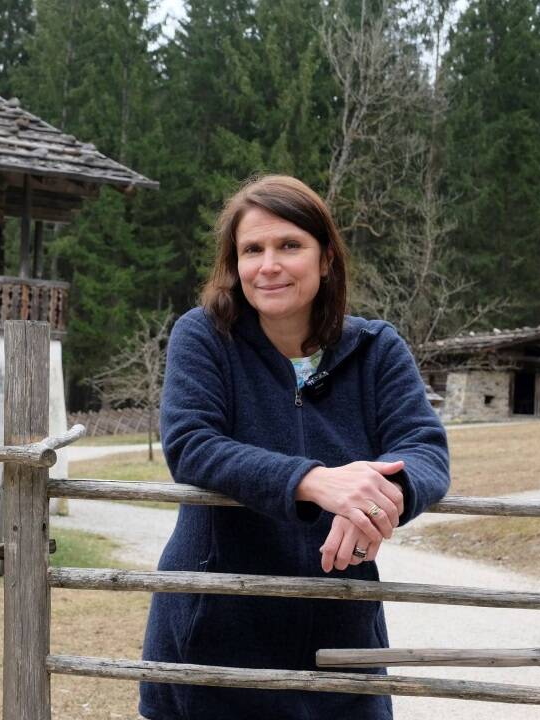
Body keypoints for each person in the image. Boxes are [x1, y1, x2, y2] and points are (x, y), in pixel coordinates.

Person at [139, 175, 450, 720]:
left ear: (326, 258)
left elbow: (424, 448)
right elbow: (191, 443)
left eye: (290, 245)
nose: (269, 265)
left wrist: (378, 496)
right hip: (217, 629)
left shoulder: (377, 349)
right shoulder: (205, 335)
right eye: (252, 249)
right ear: (233, 265)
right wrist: (316, 482)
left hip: (342, 633)